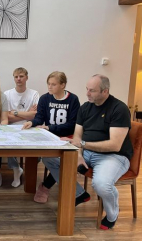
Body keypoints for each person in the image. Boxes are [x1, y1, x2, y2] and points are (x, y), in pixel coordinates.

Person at [40, 75, 133, 230]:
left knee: (101, 184)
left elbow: (115, 145)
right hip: (87, 152)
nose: (88, 93)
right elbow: (77, 135)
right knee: (49, 158)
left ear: (105, 91)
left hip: (114, 156)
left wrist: (82, 144)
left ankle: (112, 213)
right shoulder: (85, 107)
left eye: (92, 91)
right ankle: (80, 194)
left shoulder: (119, 109)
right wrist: (78, 154)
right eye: (87, 89)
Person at [22, 71, 80, 202]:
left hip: (67, 136)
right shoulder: (44, 98)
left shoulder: (73, 99)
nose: (49, 87)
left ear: (63, 85)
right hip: (49, 136)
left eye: (53, 84)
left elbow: (72, 124)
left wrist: (50, 127)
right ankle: (62, 188)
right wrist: (32, 122)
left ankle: (45, 186)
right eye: (48, 84)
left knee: (63, 161)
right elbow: (39, 118)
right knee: (49, 158)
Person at [4, 67, 39, 187]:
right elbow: (6, 117)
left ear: (27, 78)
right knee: (9, 144)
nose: (18, 79)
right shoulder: (7, 94)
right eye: (16, 76)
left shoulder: (34, 94)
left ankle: (30, 173)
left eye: (21, 76)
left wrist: (15, 113)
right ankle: (16, 171)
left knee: (37, 147)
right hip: (12, 127)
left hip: (30, 127)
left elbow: (35, 116)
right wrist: (27, 114)